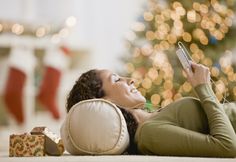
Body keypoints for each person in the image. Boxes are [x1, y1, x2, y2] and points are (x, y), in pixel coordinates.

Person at [65, 61, 236, 157]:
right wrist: (203, 87)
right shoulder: (148, 134)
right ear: (103, 103)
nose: (130, 80)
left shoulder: (151, 120)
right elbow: (227, 147)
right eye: (116, 80)